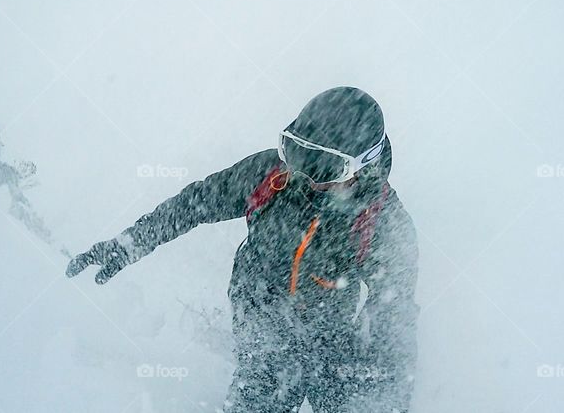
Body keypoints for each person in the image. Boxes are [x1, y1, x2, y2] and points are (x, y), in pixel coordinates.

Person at [67, 86, 419, 413]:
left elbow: (394, 318)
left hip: (330, 329)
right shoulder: (272, 175)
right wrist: (131, 243)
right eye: (300, 154)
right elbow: (196, 202)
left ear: (363, 166)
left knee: (346, 396)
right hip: (260, 303)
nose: (307, 176)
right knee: (268, 386)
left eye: (325, 167)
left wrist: (386, 396)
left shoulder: (385, 225)